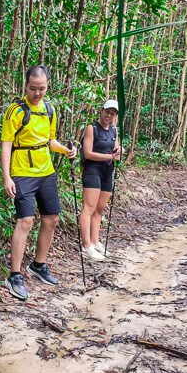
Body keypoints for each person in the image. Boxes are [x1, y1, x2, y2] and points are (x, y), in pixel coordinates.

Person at [0, 65, 77, 300]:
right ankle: (14, 274)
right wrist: (6, 176)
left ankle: (38, 264)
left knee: (51, 218)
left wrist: (64, 150)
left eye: (41, 89)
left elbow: (49, 140)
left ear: (47, 87)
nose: (37, 93)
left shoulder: (50, 110)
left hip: (46, 171)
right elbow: (6, 143)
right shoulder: (15, 111)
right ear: (26, 86)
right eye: (33, 88)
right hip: (22, 172)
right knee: (25, 221)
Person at [79, 100, 122, 261]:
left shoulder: (113, 130)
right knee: (88, 208)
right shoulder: (92, 128)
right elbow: (88, 153)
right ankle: (86, 245)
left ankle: (95, 242)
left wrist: (118, 152)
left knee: (99, 209)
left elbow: (115, 149)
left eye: (112, 113)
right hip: (92, 170)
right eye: (107, 112)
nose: (109, 116)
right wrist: (110, 156)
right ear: (101, 110)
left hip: (107, 171)